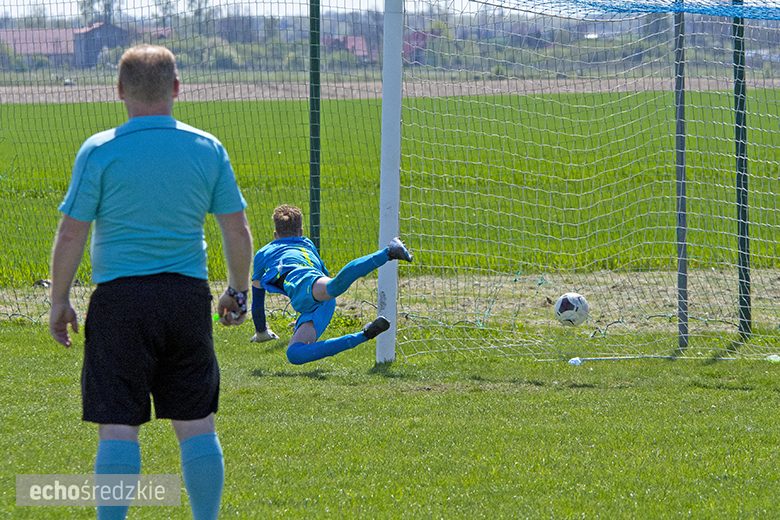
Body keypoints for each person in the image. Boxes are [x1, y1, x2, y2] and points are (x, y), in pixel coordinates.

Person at [48, 45, 252, 520]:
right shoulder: (207, 147)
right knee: (197, 422)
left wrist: (59, 301)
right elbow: (236, 228)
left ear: (119, 91)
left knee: (118, 426)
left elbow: (71, 232)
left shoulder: (99, 149)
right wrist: (238, 291)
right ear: (177, 88)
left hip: (119, 301)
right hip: (185, 297)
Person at [249, 204, 412, 365]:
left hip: (304, 283)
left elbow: (257, 301)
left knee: (333, 287)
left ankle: (389, 252)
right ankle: (365, 334)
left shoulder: (263, 253)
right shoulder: (306, 243)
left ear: (275, 235)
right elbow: (323, 274)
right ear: (301, 232)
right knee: (294, 354)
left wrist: (261, 331)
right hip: (315, 302)